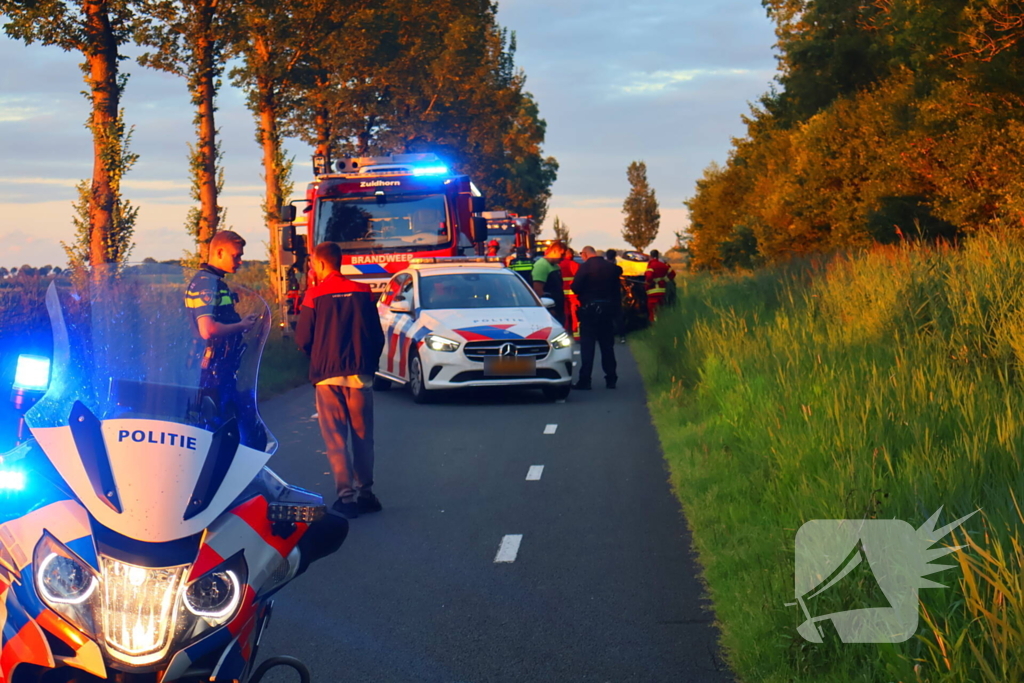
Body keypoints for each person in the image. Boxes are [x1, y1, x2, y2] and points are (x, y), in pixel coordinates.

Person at [297, 242, 386, 519]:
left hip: (327, 377)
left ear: (321, 264)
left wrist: (317, 357)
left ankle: (345, 499)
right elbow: (377, 335)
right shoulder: (363, 292)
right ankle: (366, 495)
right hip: (360, 375)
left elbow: (302, 338)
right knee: (363, 437)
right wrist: (368, 363)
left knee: (336, 439)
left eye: (312, 262)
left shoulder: (314, 295)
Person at [184, 231, 260, 437]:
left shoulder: (216, 282)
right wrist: (241, 325)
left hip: (223, 368)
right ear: (219, 252)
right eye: (236, 256)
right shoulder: (206, 283)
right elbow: (207, 329)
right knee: (219, 432)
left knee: (238, 429)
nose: (240, 261)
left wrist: (242, 324)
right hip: (212, 371)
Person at [572, 246, 621, 389]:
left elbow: (575, 287)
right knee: (607, 347)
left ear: (586, 254)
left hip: (589, 311)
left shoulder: (585, 267)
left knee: (588, 347)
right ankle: (611, 379)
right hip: (607, 311)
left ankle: (585, 380)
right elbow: (616, 291)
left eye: (581, 254)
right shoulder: (610, 267)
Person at [532, 242, 567, 325]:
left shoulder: (555, 266)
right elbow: (538, 289)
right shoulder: (541, 265)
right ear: (554, 251)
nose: (563, 258)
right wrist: (549, 309)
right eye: (562, 254)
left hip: (558, 309)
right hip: (550, 311)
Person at [644, 249, 676, 323]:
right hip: (662, 290)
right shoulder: (663, 265)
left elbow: (649, 277)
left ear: (651, 256)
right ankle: (661, 323)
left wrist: (648, 282)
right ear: (658, 256)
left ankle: (654, 326)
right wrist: (665, 279)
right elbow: (673, 274)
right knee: (661, 309)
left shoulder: (651, 265)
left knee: (652, 310)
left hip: (652, 292)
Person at [559, 247, 580, 339]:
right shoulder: (576, 265)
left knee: (564, 315)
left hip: (562, 294)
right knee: (575, 315)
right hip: (574, 295)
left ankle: (565, 335)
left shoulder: (558, 265)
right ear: (571, 255)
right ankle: (577, 336)